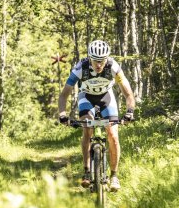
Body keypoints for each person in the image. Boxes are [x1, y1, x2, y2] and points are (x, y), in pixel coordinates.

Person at [58, 40, 136, 191]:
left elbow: (128, 94)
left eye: (102, 60)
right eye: (95, 60)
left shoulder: (113, 67)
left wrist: (129, 112)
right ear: (89, 58)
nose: (99, 64)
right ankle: (87, 171)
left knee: (113, 135)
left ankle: (114, 175)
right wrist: (63, 114)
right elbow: (64, 95)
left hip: (106, 98)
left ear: (106, 59)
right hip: (86, 97)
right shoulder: (80, 68)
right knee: (87, 128)